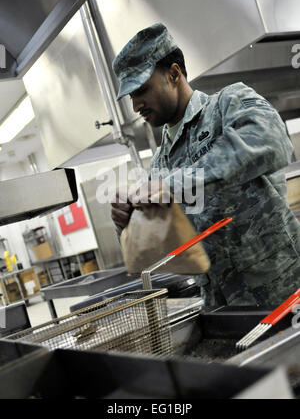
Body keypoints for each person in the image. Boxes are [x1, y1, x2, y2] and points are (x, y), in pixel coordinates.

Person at [111, 22, 300, 306]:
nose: (135, 105)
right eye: (130, 96)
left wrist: (173, 186)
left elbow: (272, 142)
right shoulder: (160, 164)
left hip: (283, 293)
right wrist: (126, 223)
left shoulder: (228, 104)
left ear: (174, 74)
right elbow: (159, 248)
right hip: (222, 309)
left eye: (141, 90)